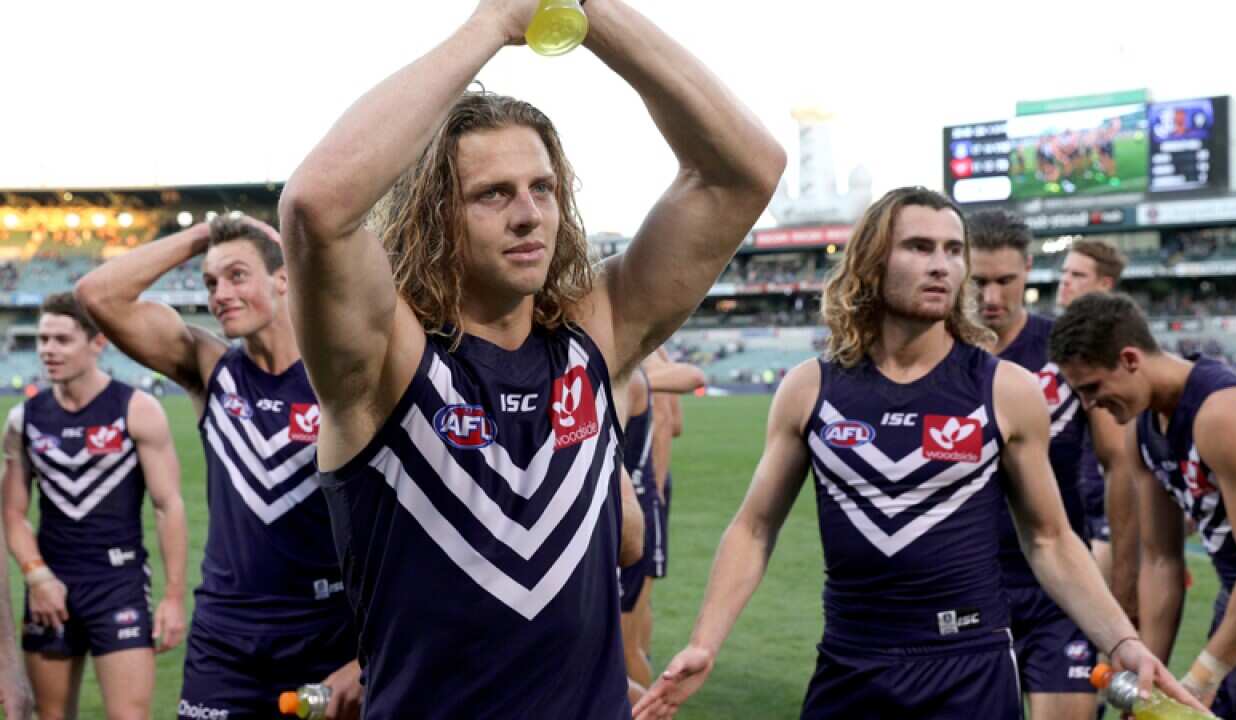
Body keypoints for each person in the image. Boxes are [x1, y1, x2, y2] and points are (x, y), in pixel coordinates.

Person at [276, 0, 784, 716]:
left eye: (542, 188)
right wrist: (492, 24)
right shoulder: (384, 359)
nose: (529, 214)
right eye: (493, 194)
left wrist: (590, 9)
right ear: (433, 214)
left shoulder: (596, 334)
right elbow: (316, 207)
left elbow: (745, 171)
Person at [635, 187, 1199, 720]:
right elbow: (755, 528)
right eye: (919, 247)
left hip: (969, 668)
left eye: (953, 250)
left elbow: (1050, 539)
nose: (941, 265)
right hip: (850, 663)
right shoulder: (810, 388)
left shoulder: (1006, 390)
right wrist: (705, 642)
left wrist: (1121, 641)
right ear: (872, 261)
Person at [74, 217, 361, 719]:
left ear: (283, 279)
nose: (220, 294)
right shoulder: (211, 367)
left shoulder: (340, 378)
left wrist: (366, 656)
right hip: (225, 637)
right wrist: (203, 235)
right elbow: (97, 294)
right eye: (210, 282)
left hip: (325, 632)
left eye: (236, 276)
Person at [1049, 292, 1236, 717]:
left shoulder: (1225, 414)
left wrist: (1202, 677)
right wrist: (1147, 684)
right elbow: (1160, 561)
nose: (1089, 404)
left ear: (1130, 359)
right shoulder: (1142, 430)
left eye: (1092, 387)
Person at [968, 212, 1129, 719]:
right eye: (978, 281)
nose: (991, 297)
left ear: (1028, 270)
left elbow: (1119, 466)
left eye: (1005, 280)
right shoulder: (939, 357)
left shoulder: (1067, 350)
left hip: (1060, 585)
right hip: (968, 586)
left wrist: (1118, 594)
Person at [1, 292, 186, 720]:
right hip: (51, 586)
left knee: (129, 716)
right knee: (51, 715)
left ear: (97, 342)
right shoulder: (24, 420)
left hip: (118, 583)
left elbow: (168, 506)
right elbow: (11, 513)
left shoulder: (136, 410)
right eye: (43, 339)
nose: (48, 350)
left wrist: (174, 597)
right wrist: (37, 576)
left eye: (62, 340)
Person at [1055, 238, 1137, 619]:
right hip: (1077, 503)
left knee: (1101, 630)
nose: (1065, 282)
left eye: (1077, 275)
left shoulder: (1106, 349)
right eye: (1064, 273)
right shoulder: (1068, 339)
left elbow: (1118, 453)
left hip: (1105, 510)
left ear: (1104, 285)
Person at [619, 358, 705, 691]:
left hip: (637, 500)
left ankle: (647, 704)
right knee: (631, 631)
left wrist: (630, 378)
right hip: (639, 495)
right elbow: (674, 420)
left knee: (622, 650)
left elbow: (673, 416)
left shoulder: (636, 358)